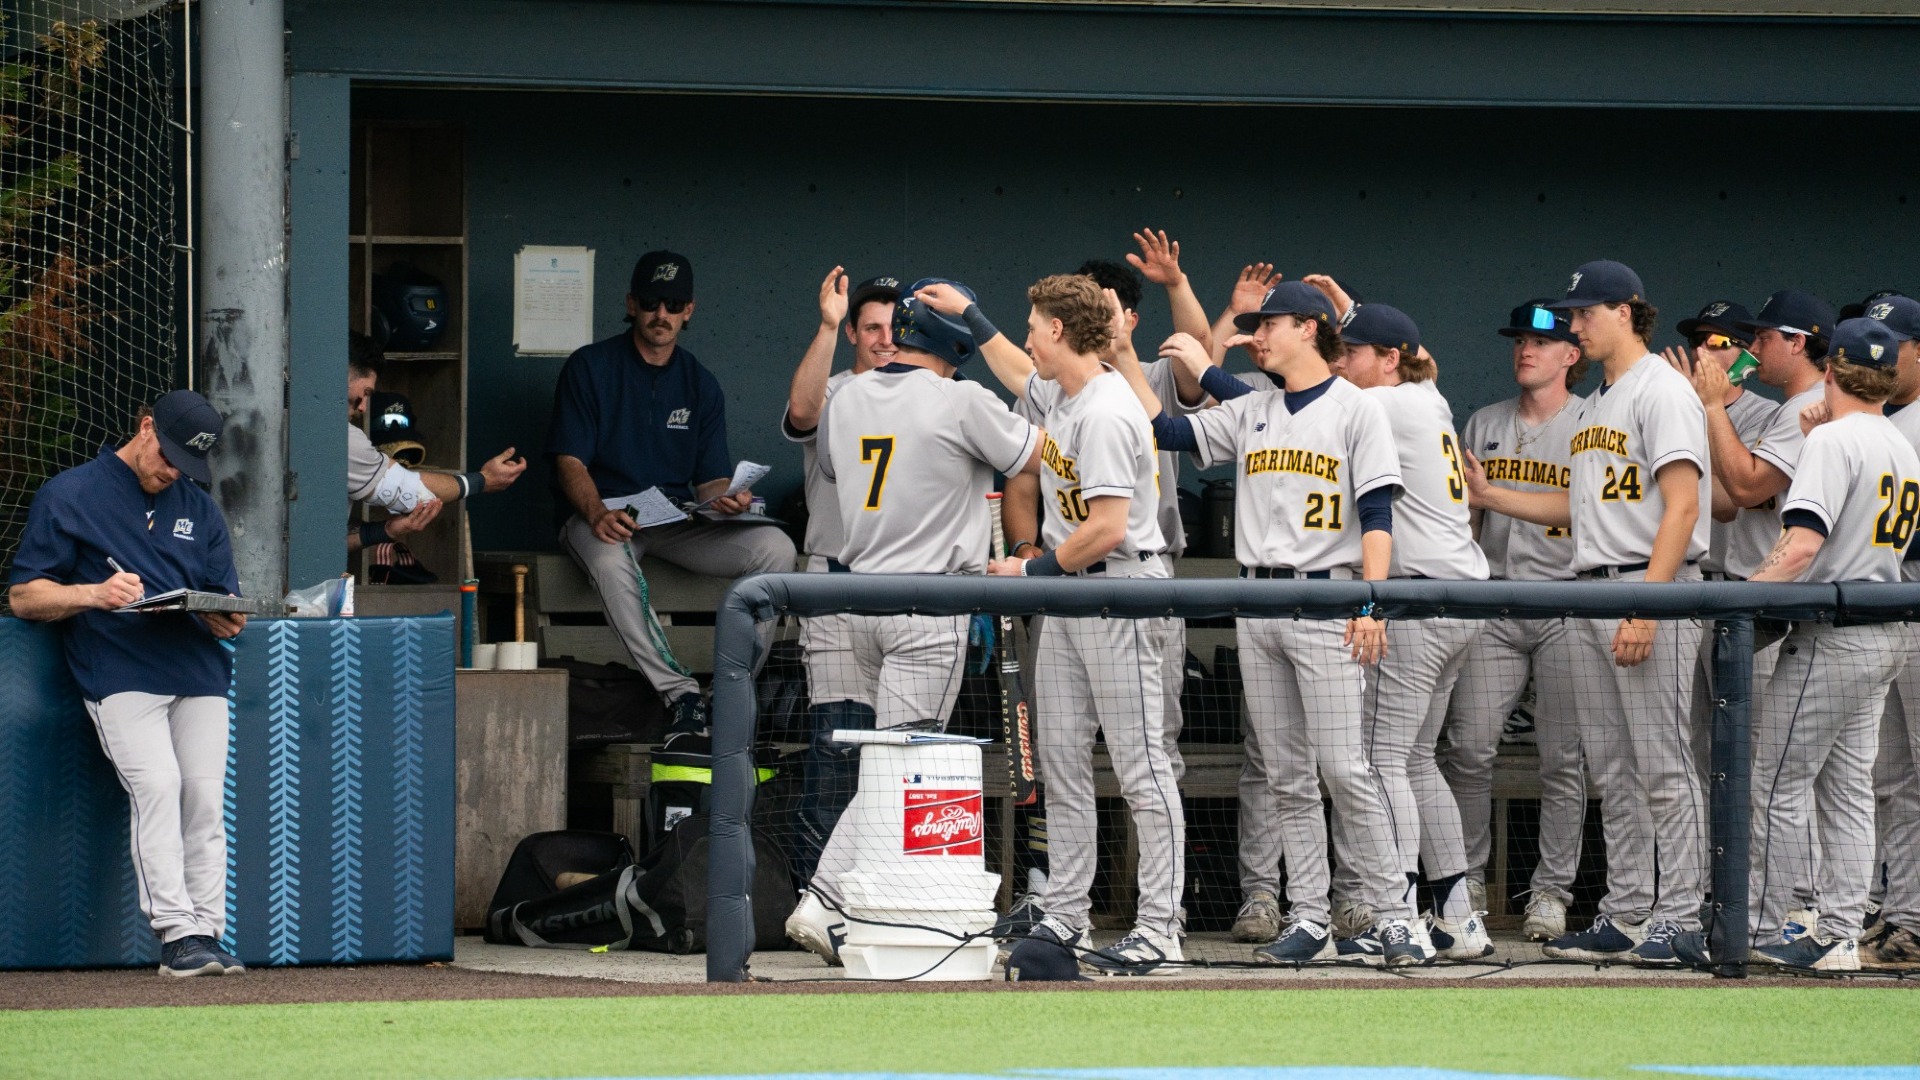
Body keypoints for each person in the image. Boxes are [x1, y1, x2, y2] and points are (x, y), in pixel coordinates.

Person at [1128, 281, 1425, 967]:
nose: (1257, 336)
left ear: (1311, 327)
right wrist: (1121, 355)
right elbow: (1167, 431)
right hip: (1258, 604)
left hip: (1327, 601)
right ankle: (1310, 915)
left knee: (1346, 770)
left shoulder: (1358, 407)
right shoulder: (1254, 408)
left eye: (1271, 324)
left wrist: (1372, 602)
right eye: (1256, 325)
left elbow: (1377, 514)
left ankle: (1397, 916)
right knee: (1288, 775)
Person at [923, 273, 1186, 976]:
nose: (1030, 336)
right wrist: (971, 314)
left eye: (1035, 325)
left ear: (1061, 331)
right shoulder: (1064, 394)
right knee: (1062, 760)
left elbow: (1107, 529)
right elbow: (1016, 368)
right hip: (1073, 596)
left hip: (1121, 590)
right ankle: (1066, 914)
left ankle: (1161, 928)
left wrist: (1029, 571)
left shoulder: (1106, 410)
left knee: (1142, 767)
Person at [783, 277, 1045, 964]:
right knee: (894, 767)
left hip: (857, 599)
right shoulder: (961, 398)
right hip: (929, 607)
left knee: (884, 761)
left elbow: (836, 470)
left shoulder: (847, 397)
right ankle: (825, 901)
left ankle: (850, 906)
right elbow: (1043, 455)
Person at [1465, 259, 1710, 966]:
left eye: (1584, 313)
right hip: (1591, 588)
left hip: (1647, 587)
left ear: (1625, 311)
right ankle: (1627, 913)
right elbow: (1576, 506)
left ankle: (1680, 919)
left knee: (1664, 767)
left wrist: (1648, 607)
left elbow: (1684, 506)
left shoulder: (1661, 390)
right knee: (1613, 770)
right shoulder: (1600, 401)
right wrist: (1492, 497)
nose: (1574, 325)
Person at [1675, 317, 1920, 972]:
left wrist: (1743, 599)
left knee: (1776, 782)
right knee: (1847, 789)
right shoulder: (1898, 441)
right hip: (1887, 626)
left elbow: (1801, 547)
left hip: (1833, 635)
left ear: (1831, 370)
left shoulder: (1834, 440)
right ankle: (1836, 933)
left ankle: (1760, 925)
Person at [8, 391, 248, 977]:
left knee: (204, 799)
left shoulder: (198, 506)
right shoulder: (71, 493)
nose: (173, 473)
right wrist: (94, 592)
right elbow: (23, 596)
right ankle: (178, 936)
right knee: (159, 787)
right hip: (118, 670)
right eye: (168, 457)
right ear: (145, 428)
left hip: (197, 669)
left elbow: (225, 597)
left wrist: (226, 616)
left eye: (187, 465)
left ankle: (208, 932)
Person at [546, 250, 797, 730]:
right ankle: (681, 694)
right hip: (604, 517)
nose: (661, 314)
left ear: (689, 310)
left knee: (777, 548)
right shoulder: (591, 367)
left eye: (673, 304)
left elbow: (710, 481)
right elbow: (569, 461)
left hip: (674, 518)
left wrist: (730, 498)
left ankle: (730, 691)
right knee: (610, 559)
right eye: (651, 302)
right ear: (631, 304)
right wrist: (596, 512)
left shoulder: (699, 382)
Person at [1443, 300, 1591, 943]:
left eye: (1541, 341)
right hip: (1495, 603)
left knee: (1563, 758)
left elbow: (1589, 507)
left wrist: (1492, 496)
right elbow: (1467, 520)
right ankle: (1469, 880)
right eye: (1519, 340)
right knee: (1468, 747)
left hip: (1567, 604)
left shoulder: (1592, 423)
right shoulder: (1484, 422)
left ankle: (1552, 892)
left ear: (1571, 355)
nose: (1525, 350)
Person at [777, 269, 900, 901]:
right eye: (870, 327)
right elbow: (802, 413)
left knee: (903, 751)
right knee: (836, 745)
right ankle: (820, 899)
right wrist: (826, 325)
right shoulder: (836, 391)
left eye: (894, 328)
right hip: (836, 581)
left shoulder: (935, 392)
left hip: (909, 589)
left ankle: (888, 892)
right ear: (854, 331)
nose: (884, 339)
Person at [1858, 293, 1920, 970]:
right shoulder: (1883, 422)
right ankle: (1903, 914)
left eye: (1893, 343)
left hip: (1913, 592)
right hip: (1892, 601)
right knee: (1893, 775)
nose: (1882, 354)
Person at [345, 332, 526, 555]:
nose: (363, 407)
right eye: (365, 392)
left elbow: (328, 539)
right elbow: (414, 494)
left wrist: (385, 531)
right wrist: (483, 480)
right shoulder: (344, 439)